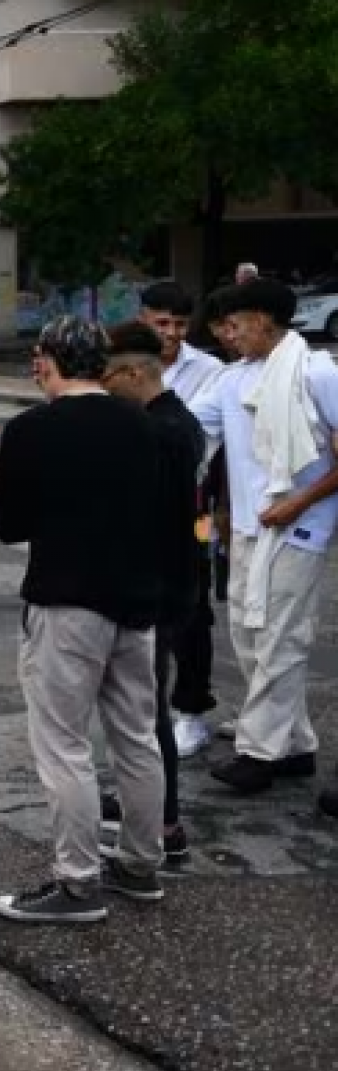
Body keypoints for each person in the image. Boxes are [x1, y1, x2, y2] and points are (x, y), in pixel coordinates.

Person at [0, 316, 169, 922]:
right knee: (136, 738)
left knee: (64, 745)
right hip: (136, 601)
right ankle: (142, 867)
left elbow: (9, 525)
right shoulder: (144, 424)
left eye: (37, 359)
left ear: (48, 361)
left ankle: (77, 884)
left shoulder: (31, 430)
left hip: (67, 599)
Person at [186, 279, 338, 820]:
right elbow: (186, 429)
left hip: (300, 526)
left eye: (236, 323)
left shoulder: (315, 372)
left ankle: (259, 752)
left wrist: (301, 503)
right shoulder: (233, 379)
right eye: (222, 327)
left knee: (280, 636)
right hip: (249, 527)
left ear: (267, 319)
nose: (228, 335)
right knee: (248, 635)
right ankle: (295, 745)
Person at [100, 321, 207, 867]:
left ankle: (166, 824)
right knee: (143, 706)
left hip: (162, 588)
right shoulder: (170, 421)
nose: (104, 387)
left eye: (108, 376)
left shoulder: (163, 430)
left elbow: (154, 520)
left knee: (147, 710)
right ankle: (140, 802)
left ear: (134, 373)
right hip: (172, 582)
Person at [139, 282, 226, 756]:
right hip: (137, 505)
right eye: (161, 323)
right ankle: (140, 711)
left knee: (192, 608)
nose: (171, 333)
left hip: (196, 507)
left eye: (178, 325)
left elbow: (210, 441)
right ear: (144, 319)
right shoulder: (125, 364)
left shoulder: (210, 370)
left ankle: (191, 710)